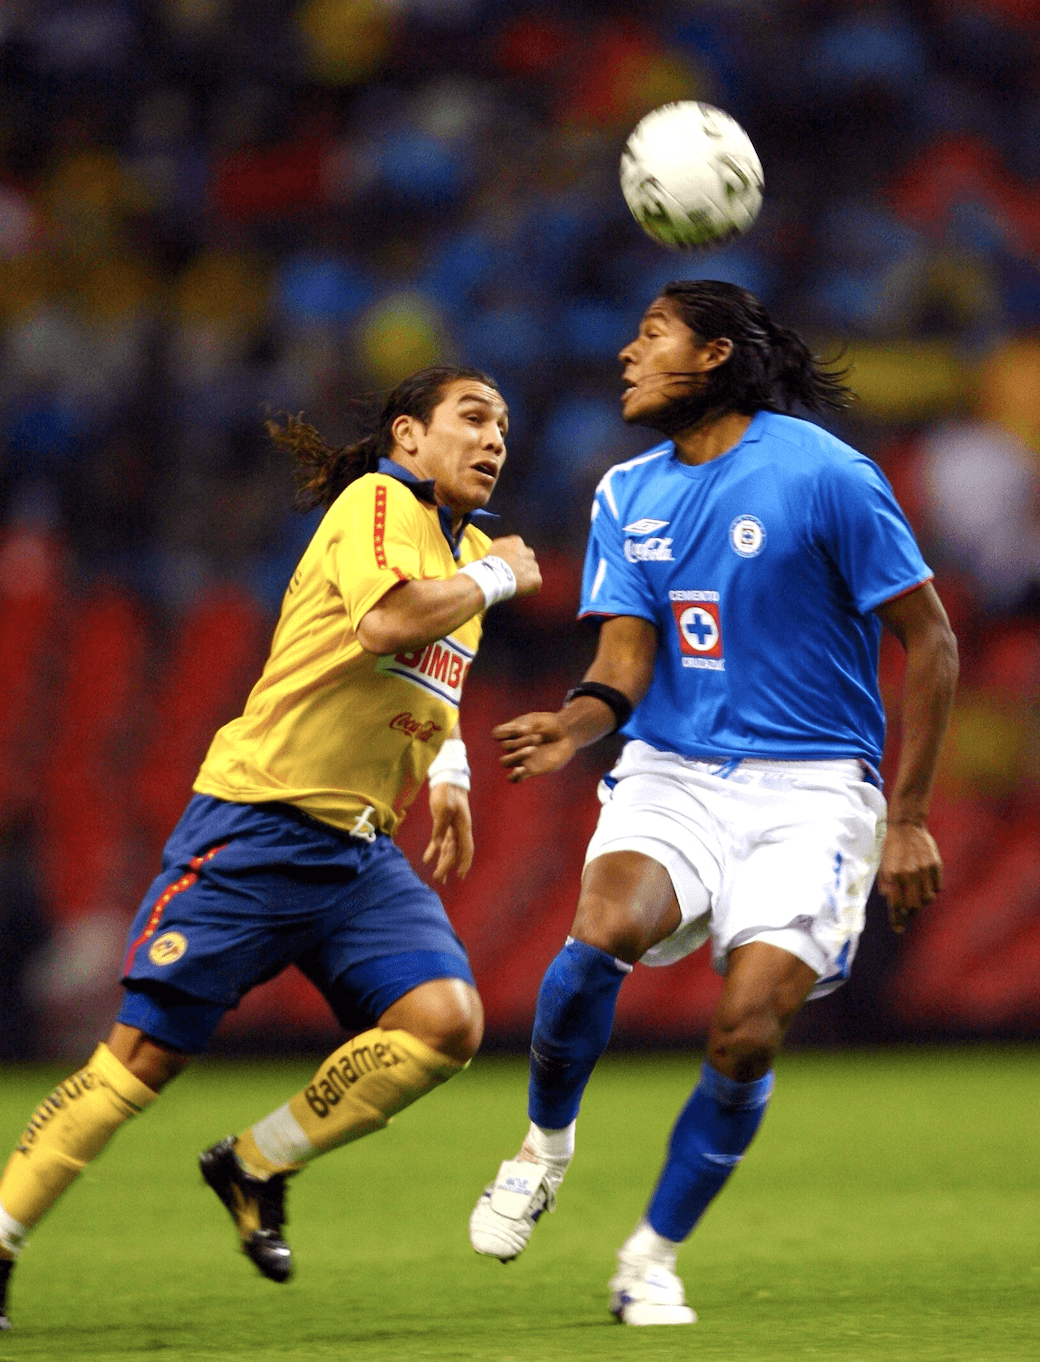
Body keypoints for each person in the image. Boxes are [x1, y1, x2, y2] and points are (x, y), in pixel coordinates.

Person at [0, 365, 540, 1329]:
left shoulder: (459, 556)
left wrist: (450, 779)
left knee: (447, 1023)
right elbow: (384, 626)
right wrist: (500, 572)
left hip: (359, 857)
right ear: (407, 438)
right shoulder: (380, 503)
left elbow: (432, 684)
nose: (495, 437)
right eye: (472, 417)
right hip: (260, 826)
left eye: (503, 424)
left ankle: (253, 1164)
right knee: (138, 1065)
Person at [468, 281, 958, 1326]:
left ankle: (649, 1257)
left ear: (716, 355)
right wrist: (571, 725)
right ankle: (542, 1146)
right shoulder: (623, 494)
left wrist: (907, 816)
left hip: (814, 790)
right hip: (673, 771)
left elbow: (932, 639)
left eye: (651, 336)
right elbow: (620, 666)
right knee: (595, 935)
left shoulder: (824, 474)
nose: (625, 355)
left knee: (743, 1031)